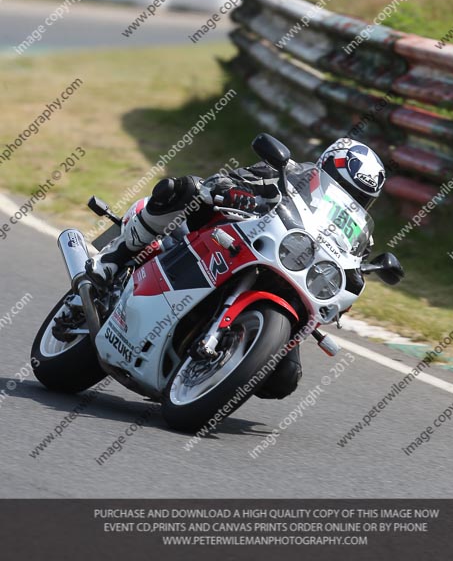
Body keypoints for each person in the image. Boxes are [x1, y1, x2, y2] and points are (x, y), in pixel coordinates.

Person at [87, 138, 386, 399]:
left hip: (286, 280)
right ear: (324, 169)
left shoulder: (361, 237)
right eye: (344, 187)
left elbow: (347, 273)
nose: (348, 200)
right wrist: (232, 191)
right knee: (186, 188)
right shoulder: (288, 173)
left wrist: (351, 287)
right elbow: (225, 180)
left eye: (360, 198)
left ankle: (214, 375)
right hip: (230, 241)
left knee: (284, 379)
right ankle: (115, 258)